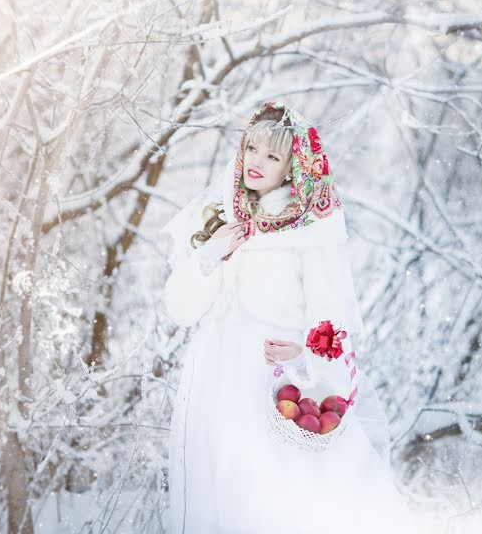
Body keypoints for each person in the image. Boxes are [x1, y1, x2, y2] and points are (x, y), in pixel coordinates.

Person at [160, 101, 416, 533]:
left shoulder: (311, 230)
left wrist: (305, 354)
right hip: (213, 379)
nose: (256, 163)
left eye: (273, 156)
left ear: (292, 167)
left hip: (273, 379)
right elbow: (181, 310)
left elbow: (329, 317)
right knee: (219, 491)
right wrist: (211, 254)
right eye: (253, 149)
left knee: (273, 496)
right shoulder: (220, 216)